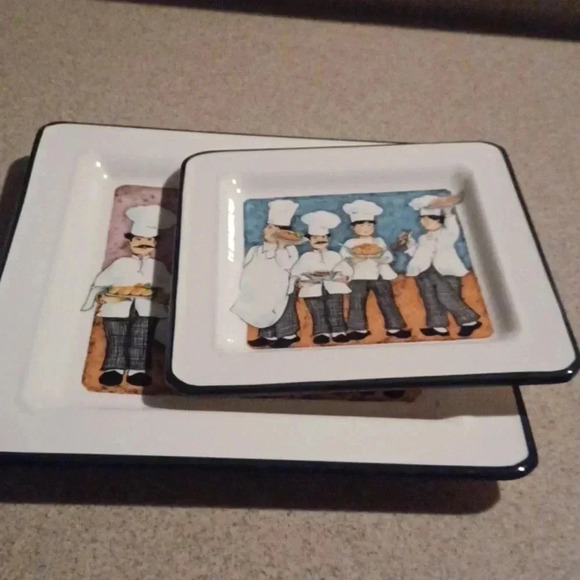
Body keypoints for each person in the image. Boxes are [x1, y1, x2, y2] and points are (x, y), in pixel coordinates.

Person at [81, 205, 176, 387]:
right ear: (131, 241)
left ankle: (137, 370)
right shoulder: (120, 263)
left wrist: (161, 297)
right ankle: (113, 369)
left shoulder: (158, 267)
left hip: (148, 309)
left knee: (142, 338)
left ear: (154, 243)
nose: (143, 243)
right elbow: (100, 284)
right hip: (116, 307)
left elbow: (169, 288)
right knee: (116, 337)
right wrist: (103, 296)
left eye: (148, 240)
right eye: (138, 239)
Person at [399, 194, 482, 337]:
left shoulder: (447, 233)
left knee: (447, 297)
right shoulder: (423, 238)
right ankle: (437, 326)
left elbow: (452, 226)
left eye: (429, 218)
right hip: (424, 271)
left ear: (439, 220)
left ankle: (469, 321)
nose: (425, 221)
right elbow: (417, 253)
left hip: (445, 271)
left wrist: (448, 211)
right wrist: (408, 243)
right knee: (430, 298)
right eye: (422, 218)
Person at [231, 199, 301, 348]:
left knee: (283, 311)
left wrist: (280, 246)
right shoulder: (256, 250)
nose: (265, 230)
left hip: (282, 287)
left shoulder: (289, 250)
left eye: (270, 228)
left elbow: (287, 265)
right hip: (264, 287)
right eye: (267, 227)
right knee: (264, 309)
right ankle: (268, 335)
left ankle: (288, 334)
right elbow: (247, 267)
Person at [341, 200, 410, 340]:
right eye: (361, 225)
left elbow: (388, 257)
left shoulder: (379, 241)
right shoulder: (350, 243)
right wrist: (355, 258)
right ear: (353, 227)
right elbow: (344, 258)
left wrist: (378, 256)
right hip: (358, 277)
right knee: (356, 302)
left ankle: (395, 327)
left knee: (387, 301)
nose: (366, 228)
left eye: (369, 225)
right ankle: (357, 329)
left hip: (379, 276)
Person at [291, 211, 353, 344]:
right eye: (315, 238)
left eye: (323, 237)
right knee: (317, 310)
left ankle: (338, 331)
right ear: (310, 240)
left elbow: (347, 269)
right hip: (311, 288)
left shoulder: (335, 255)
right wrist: (301, 280)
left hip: (334, 286)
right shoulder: (305, 257)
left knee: (335, 309)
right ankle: (321, 332)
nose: (320, 240)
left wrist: (344, 276)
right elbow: (296, 272)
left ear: (327, 239)